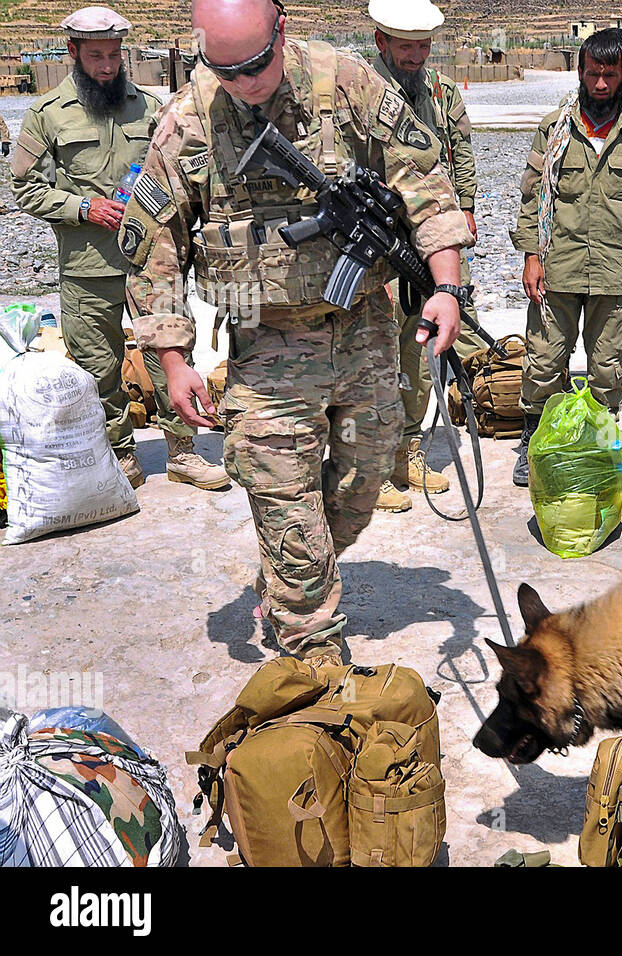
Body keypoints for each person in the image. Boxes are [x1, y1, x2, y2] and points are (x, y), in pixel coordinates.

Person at [123, 0, 471, 661]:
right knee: (284, 494)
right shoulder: (188, 119)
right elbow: (153, 247)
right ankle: (312, 646)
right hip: (267, 341)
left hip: (364, 327)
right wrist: (173, 360)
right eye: (224, 71)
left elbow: (425, 182)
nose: (244, 85)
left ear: (281, 31)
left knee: (362, 483)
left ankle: (289, 573)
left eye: (255, 66)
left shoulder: (346, 82)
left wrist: (446, 286)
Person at [11, 6, 227, 492]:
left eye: (113, 55)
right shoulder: (47, 115)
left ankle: (183, 452)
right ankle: (121, 453)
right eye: (96, 56)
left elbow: (181, 176)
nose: (107, 66)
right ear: (72, 53)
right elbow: (25, 187)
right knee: (98, 366)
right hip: (88, 266)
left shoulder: (149, 109)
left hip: (151, 263)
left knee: (168, 352)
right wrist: (83, 207)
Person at [510, 28, 622, 486]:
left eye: (609, 75)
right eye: (592, 74)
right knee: (544, 362)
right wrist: (530, 255)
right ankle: (534, 439)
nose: (599, 84)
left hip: (618, 270)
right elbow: (530, 197)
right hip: (557, 266)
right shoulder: (555, 127)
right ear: (579, 72)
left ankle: (599, 443)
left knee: (607, 370)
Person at [369, 0, 486, 512]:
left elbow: (460, 155)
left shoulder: (441, 92)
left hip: (428, 246)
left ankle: (409, 456)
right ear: (382, 44)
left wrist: (466, 215)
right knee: (375, 357)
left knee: (419, 352)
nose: (415, 57)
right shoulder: (359, 92)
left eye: (423, 46)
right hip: (375, 246)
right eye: (405, 47)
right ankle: (372, 470)